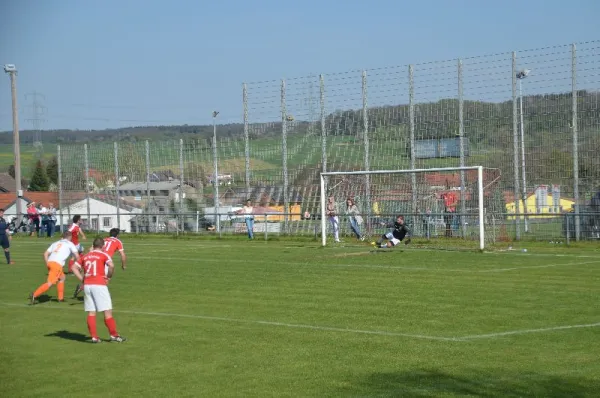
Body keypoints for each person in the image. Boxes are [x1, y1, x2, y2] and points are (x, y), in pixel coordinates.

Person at [71, 237, 126, 343]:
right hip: (99, 285)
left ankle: (94, 337)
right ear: (103, 246)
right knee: (107, 312)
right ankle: (114, 335)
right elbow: (111, 265)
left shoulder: (86, 255)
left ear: (93, 245)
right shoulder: (104, 254)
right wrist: (108, 277)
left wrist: (82, 279)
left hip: (87, 285)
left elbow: (74, 267)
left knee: (91, 312)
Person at [29, 231, 81, 304]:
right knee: (50, 283)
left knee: (62, 278)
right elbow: (77, 256)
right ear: (70, 237)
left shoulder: (55, 243)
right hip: (57, 264)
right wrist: (79, 265)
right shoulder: (70, 244)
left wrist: (48, 263)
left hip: (50, 262)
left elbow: (45, 254)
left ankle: (60, 298)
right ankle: (34, 295)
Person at [73, 228, 127, 298]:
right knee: (104, 279)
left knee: (93, 276)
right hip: (104, 260)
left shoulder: (103, 240)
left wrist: (88, 259)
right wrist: (123, 265)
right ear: (117, 235)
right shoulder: (118, 241)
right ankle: (100, 296)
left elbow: (90, 249)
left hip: (94, 258)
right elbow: (122, 254)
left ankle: (82, 287)